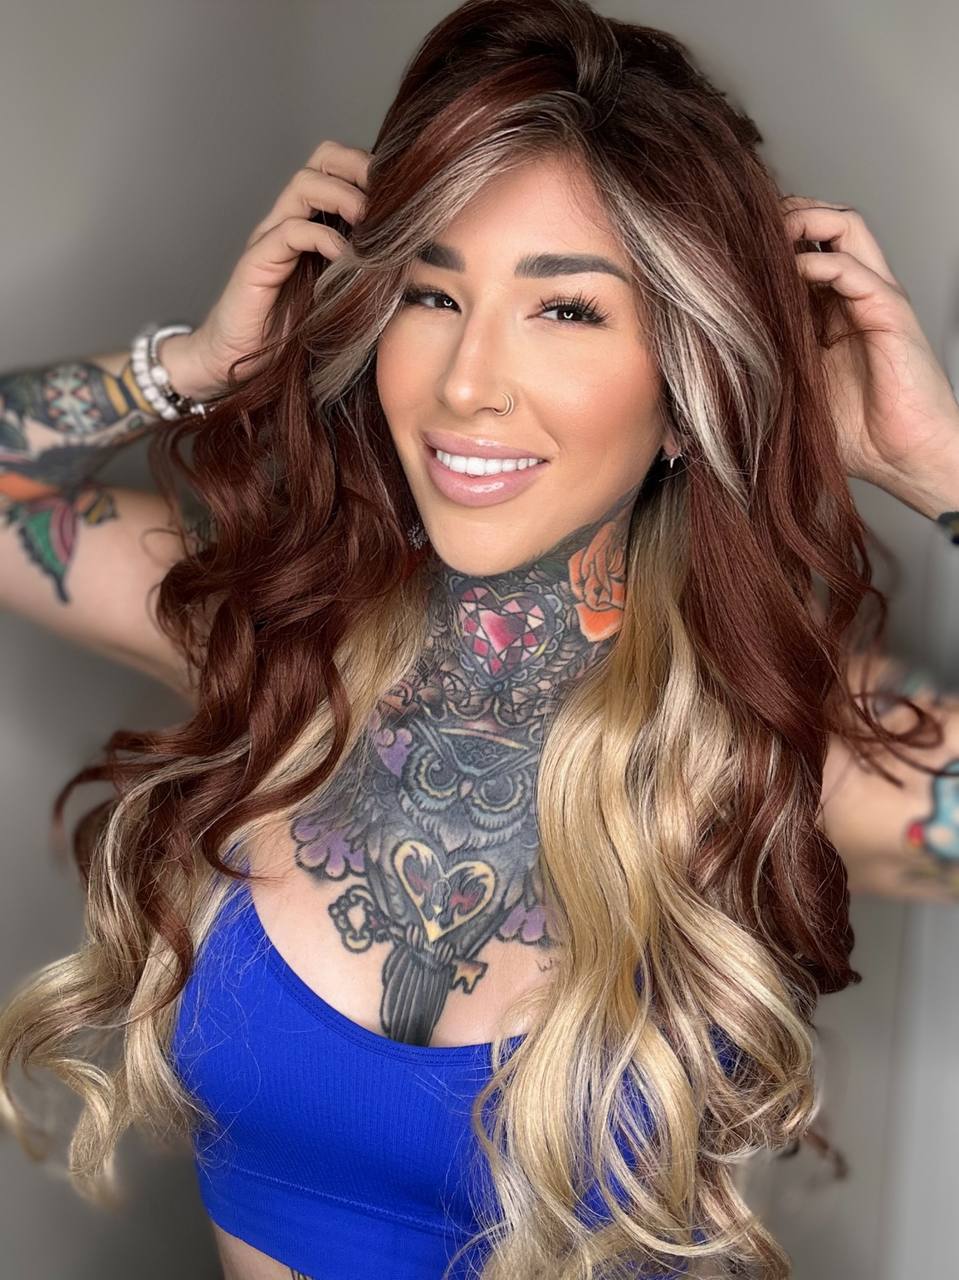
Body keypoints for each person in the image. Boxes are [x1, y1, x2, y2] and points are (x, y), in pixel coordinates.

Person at [1, 1, 958, 1277]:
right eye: (430, 291)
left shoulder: (781, 742)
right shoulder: (277, 635)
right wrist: (188, 361)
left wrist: (938, 466)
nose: (464, 382)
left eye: (564, 311)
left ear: (689, 387)